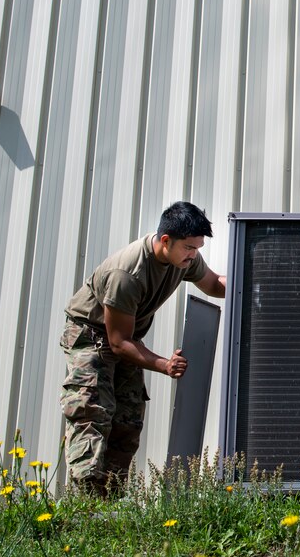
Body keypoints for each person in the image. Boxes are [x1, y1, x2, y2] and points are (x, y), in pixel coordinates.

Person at [60, 201, 226, 496]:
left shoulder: (184, 259)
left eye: (197, 248)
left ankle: (108, 504)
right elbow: (118, 343)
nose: (194, 254)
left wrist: (255, 282)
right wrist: (164, 364)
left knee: (128, 419)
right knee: (93, 414)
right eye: (189, 247)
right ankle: (84, 509)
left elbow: (214, 285)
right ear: (166, 241)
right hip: (92, 336)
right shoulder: (127, 273)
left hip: (125, 338)